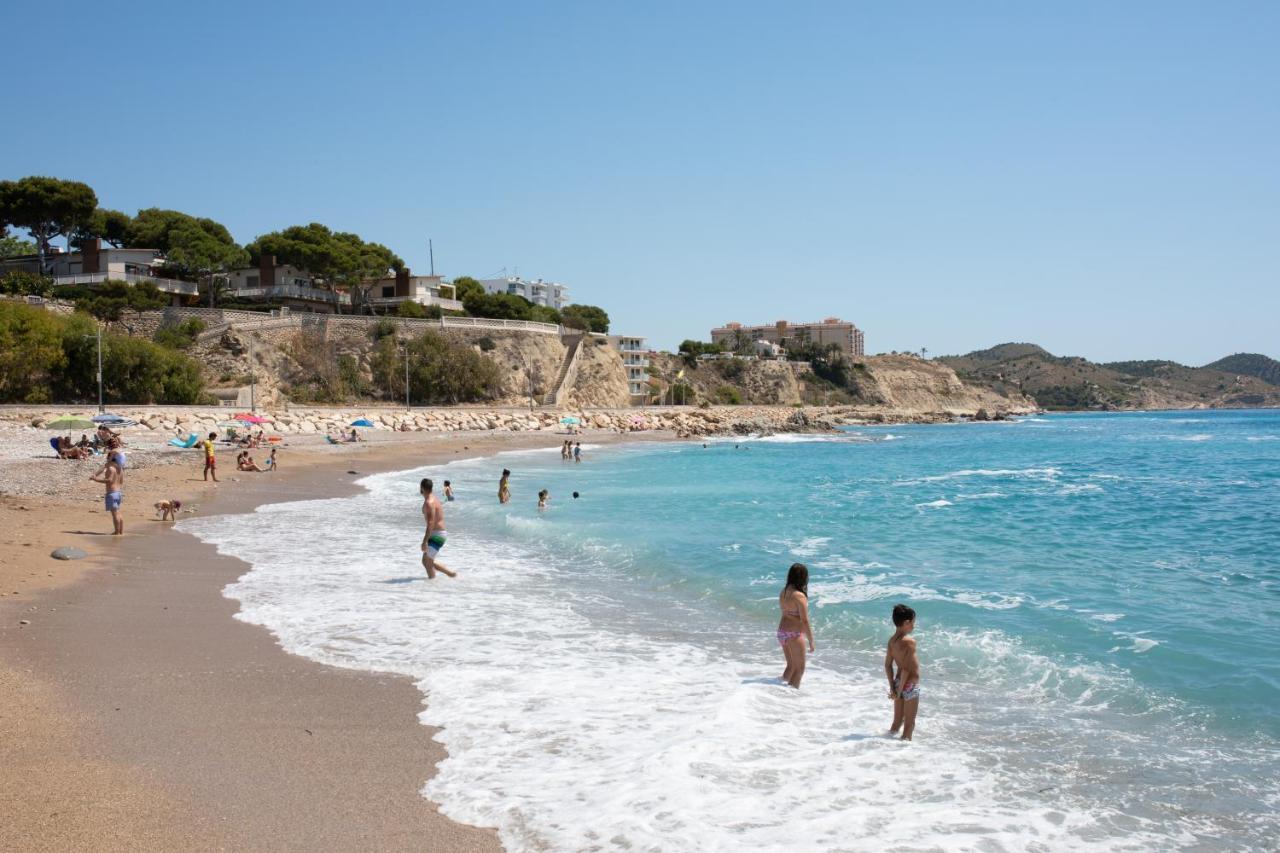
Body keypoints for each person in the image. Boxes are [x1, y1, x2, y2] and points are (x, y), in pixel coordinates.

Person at [885, 603, 921, 741]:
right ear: (906, 622)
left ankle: (884, 745)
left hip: (898, 682)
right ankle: (903, 755)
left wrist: (893, 687)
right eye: (913, 622)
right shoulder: (909, 642)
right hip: (910, 684)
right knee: (909, 724)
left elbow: (888, 665)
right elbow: (907, 669)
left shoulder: (892, 641)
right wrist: (899, 691)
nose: (914, 626)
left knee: (897, 722)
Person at [777, 563, 815, 689]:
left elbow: (786, 612)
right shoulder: (799, 596)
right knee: (799, 669)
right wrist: (811, 640)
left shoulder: (784, 591)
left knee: (791, 665)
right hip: (793, 634)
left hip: (782, 631)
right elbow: (804, 620)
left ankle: (777, 689)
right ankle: (790, 697)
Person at [419, 478, 457, 579]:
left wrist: (425, 541)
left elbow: (431, 522)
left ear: (422, 488)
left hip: (437, 534)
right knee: (425, 560)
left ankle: (432, 585)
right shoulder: (433, 499)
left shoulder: (429, 502)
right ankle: (450, 573)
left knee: (428, 562)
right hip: (436, 533)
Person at [89, 449, 125, 535]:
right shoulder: (120, 468)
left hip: (111, 493)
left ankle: (116, 532)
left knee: (114, 514)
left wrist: (96, 479)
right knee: (118, 513)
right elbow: (121, 481)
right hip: (118, 493)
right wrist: (95, 474)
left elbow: (109, 480)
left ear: (110, 459)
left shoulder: (111, 469)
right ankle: (121, 532)